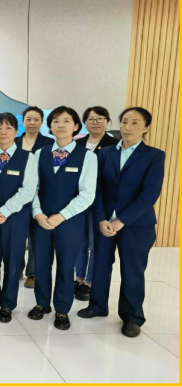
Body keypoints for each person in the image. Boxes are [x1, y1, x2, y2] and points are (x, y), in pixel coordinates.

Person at [78, 107, 165, 338]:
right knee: (100, 265)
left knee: (132, 270)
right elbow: (96, 189)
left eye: (135, 123)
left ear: (146, 128)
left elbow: (149, 194)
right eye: (125, 121)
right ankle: (97, 305)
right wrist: (101, 219)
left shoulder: (154, 156)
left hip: (137, 225)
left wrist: (121, 221)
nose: (127, 127)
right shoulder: (106, 153)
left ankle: (132, 317)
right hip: (104, 222)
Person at [27, 106, 97, 331]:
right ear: (50, 126)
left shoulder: (88, 157)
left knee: (66, 265)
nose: (60, 125)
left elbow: (87, 194)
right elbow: (33, 188)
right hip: (41, 220)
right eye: (56, 121)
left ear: (76, 126)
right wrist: (37, 213)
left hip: (70, 221)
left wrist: (62, 216)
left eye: (67, 121)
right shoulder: (40, 154)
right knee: (41, 264)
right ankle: (41, 303)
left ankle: (62, 309)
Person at [0, 113, 38, 323]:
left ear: (16, 131)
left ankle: (8, 304)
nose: (3, 132)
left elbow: (28, 190)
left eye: (8, 128)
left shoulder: (28, 157)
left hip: (16, 219)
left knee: (13, 262)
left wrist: (5, 211)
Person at [73, 106, 119, 301]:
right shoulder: (77, 143)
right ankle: (78, 278)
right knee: (79, 242)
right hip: (77, 200)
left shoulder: (115, 144)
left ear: (107, 122)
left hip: (101, 201)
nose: (95, 122)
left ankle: (90, 282)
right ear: (85, 122)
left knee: (95, 243)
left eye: (100, 118)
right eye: (91, 119)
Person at [15, 106, 54, 289]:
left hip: (40, 194)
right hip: (16, 194)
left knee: (35, 235)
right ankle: (17, 268)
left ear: (41, 122)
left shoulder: (49, 143)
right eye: (28, 119)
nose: (32, 123)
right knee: (17, 234)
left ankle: (32, 273)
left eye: (36, 119)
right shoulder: (13, 141)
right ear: (22, 121)